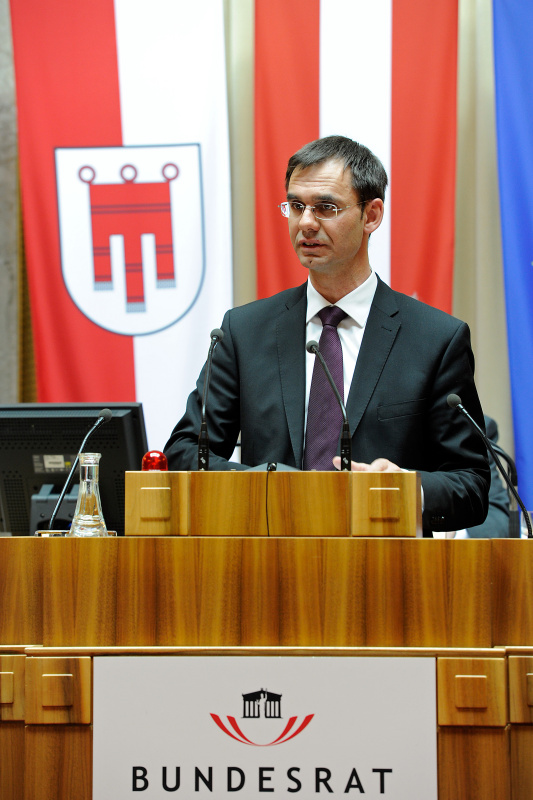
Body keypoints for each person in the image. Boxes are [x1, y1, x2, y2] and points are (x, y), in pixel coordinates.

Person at [164, 135, 490, 535]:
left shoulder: (436, 339)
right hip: (266, 566)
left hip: (384, 572)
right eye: (296, 206)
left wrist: (405, 487)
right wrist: (268, 485)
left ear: (371, 216)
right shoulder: (243, 331)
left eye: (326, 208)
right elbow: (183, 454)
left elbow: (472, 484)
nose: (305, 223)